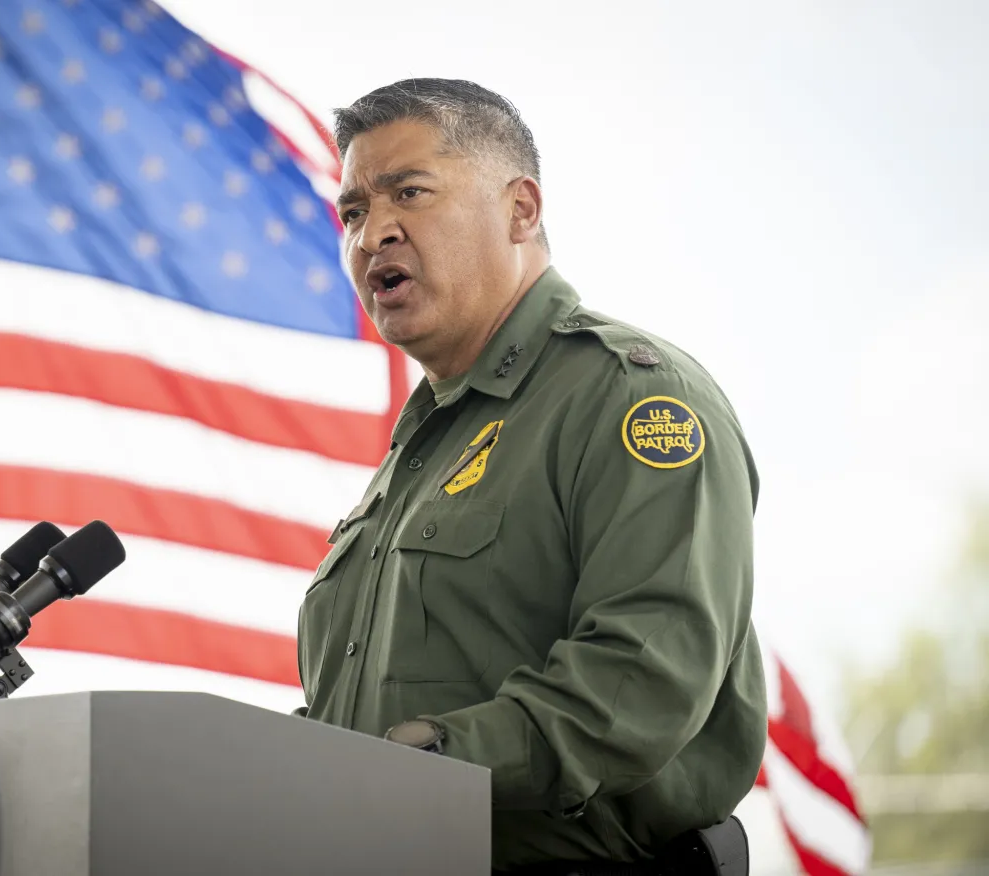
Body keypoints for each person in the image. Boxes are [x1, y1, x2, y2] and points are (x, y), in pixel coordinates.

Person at [294, 78, 767, 873]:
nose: (373, 233)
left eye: (408, 192)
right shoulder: (423, 444)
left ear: (521, 209)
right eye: (351, 212)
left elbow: (643, 679)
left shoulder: (630, 393)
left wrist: (431, 758)